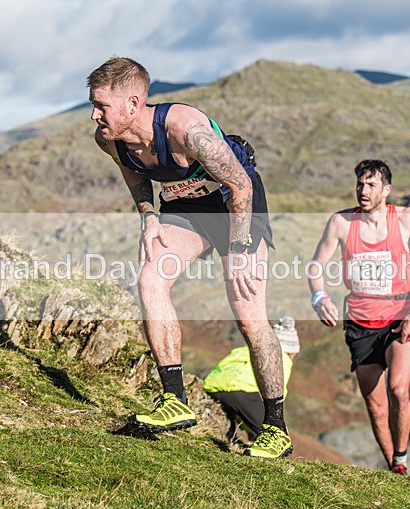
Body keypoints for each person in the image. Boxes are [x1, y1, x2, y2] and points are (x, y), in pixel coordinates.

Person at [87, 57, 291, 458]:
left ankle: (276, 428)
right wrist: (148, 217)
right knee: (150, 279)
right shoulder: (108, 138)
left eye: (102, 106)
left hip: (236, 207)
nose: (95, 115)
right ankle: (175, 400)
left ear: (132, 103)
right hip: (186, 208)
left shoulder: (185, 129)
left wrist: (239, 249)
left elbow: (241, 186)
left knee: (249, 317)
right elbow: (134, 175)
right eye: (93, 105)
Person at [308, 159, 410, 475]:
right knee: (376, 406)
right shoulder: (341, 223)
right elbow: (316, 266)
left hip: (400, 318)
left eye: (371, 185)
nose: (363, 190)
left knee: (398, 390)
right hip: (360, 323)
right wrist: (320, 297)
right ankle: (395, 467)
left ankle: (401, 458)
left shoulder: (408, 220)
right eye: (359, 184)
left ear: (386, 190)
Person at [204, 317, 300, 441]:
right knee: (275, 435)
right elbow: (275, 393)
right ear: (290, 352)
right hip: (241, 392)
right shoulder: (280, 358)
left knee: (229, 424)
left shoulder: (248, 349)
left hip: (213, 387)